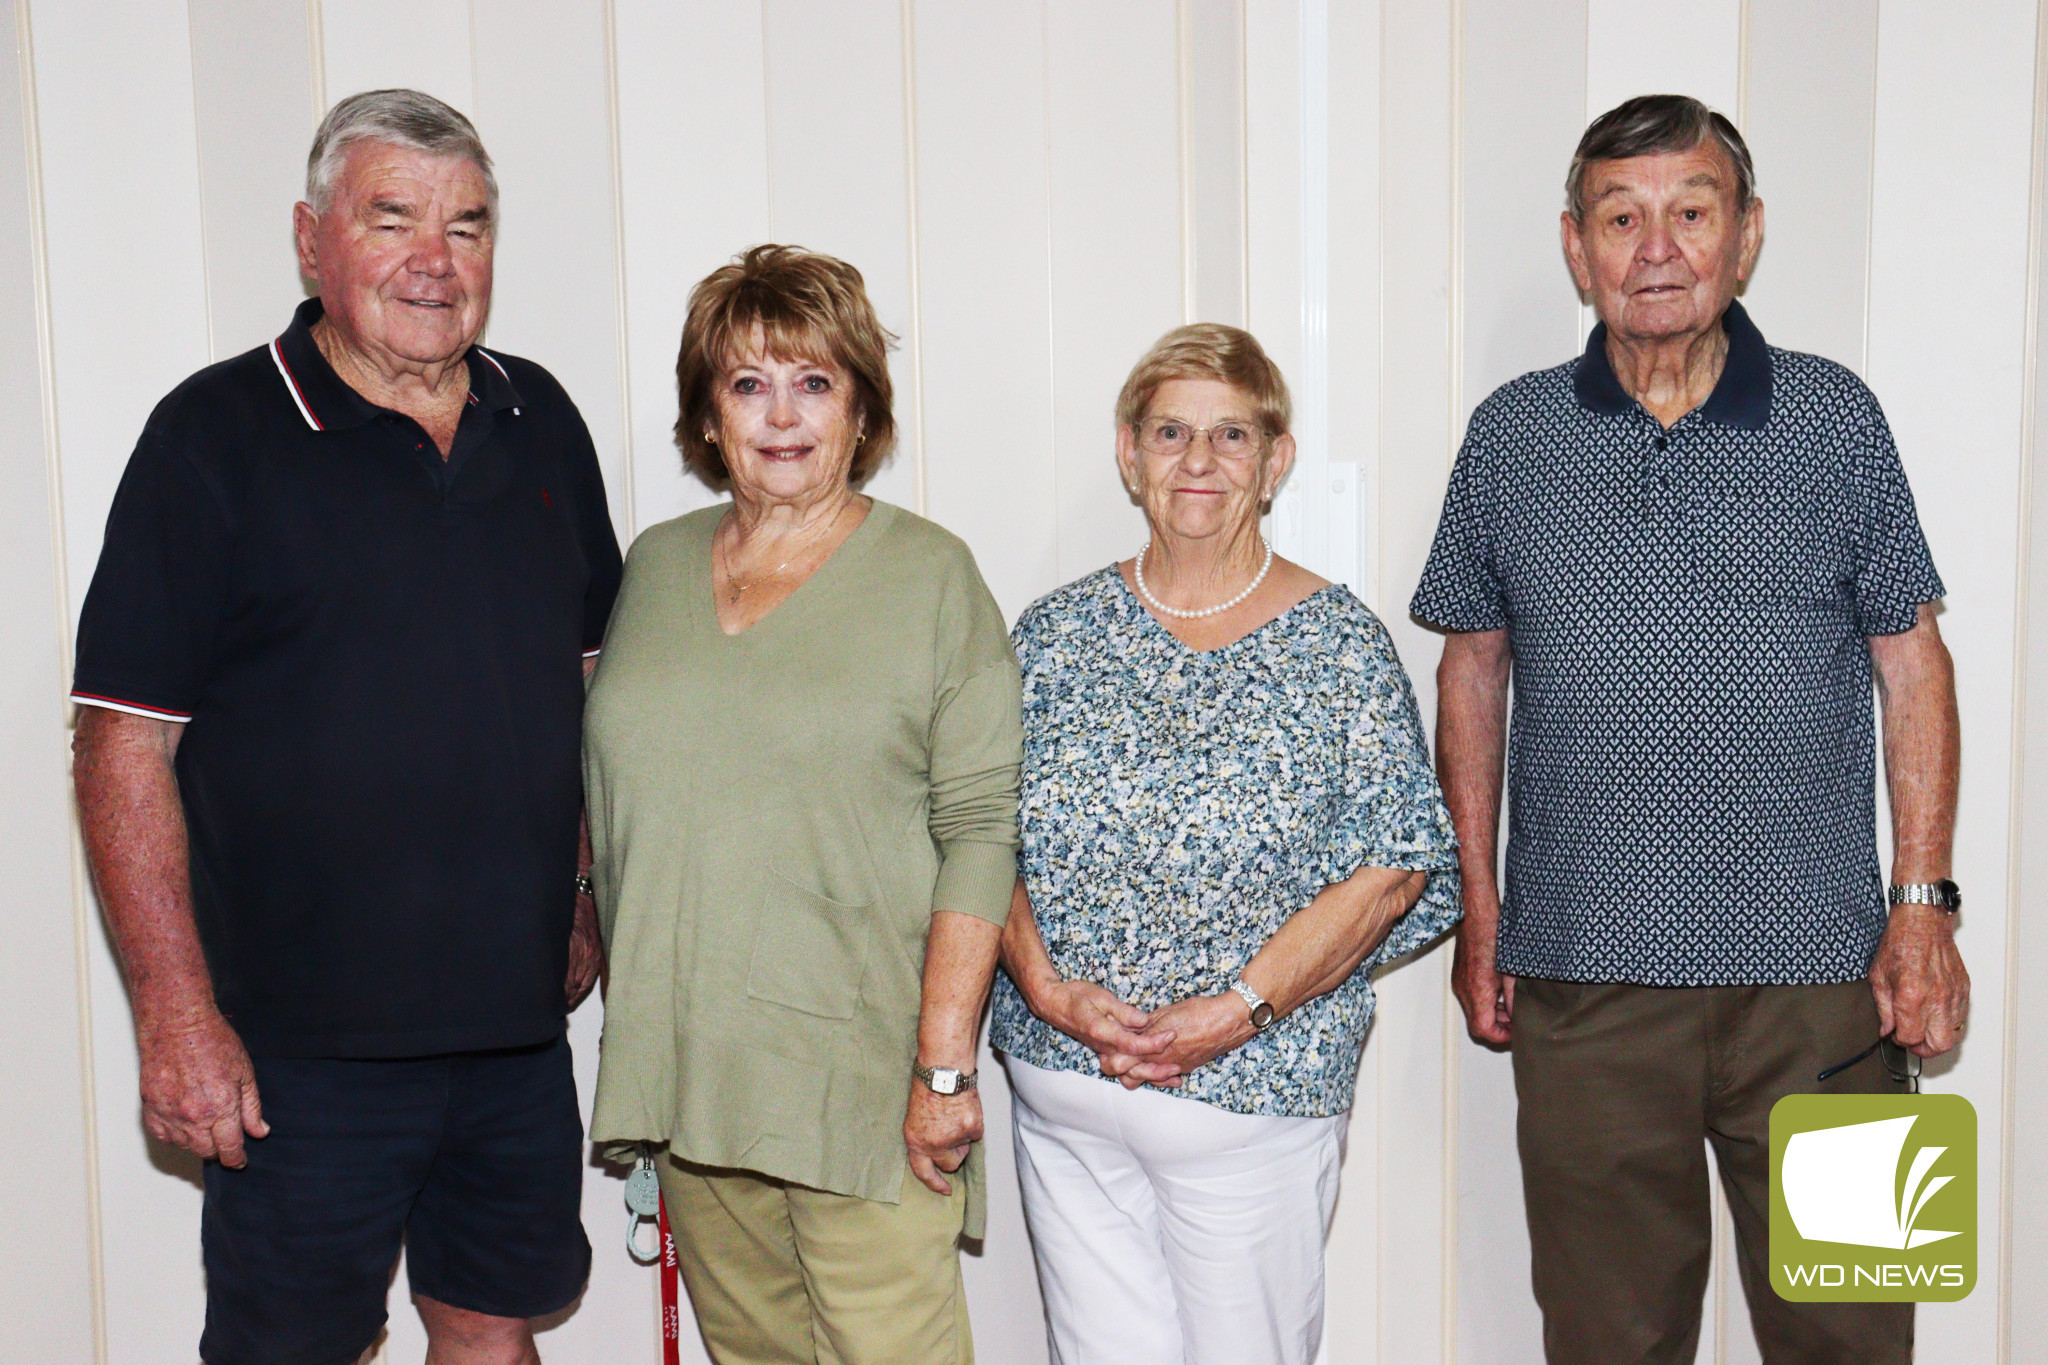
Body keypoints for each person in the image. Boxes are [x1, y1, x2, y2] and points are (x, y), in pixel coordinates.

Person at [69, 89, 621, 1365]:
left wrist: (584, 887)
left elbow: (596, 698)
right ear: (312, 240)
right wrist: (175, 1016)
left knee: (490, 1324)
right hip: (294, 1049)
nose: (437, 260)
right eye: (393, 220)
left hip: (510, 1028)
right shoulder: (212, 435)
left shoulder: (541, 418)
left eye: (468, 227)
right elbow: (121, 746)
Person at [1414, 94, 1966, 1363]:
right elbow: (1470, 669)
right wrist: (1478, 908)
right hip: (1583, 991)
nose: (1654, 247)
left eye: (1689, 212)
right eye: (1620, 217)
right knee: (1607, 1345)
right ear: (1573, 246)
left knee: (1858, 1339)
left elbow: (1910, 657)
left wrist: (1922, 907)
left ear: (1746, 234)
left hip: (1832, 997)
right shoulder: (1509, 434)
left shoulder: (1836, 418)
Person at [989, 323, 1462, 1365]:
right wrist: (1049, 992)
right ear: (1126, 452)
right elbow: (979, 839)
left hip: (1254, 1102)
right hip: (1067, 1094)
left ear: (1275, 458)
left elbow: (1393, 870)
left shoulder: (1338, 644)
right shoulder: (1052, 635)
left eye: (1230, 435)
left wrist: (1238, 1011)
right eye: (1168, 432)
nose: (1196, 462)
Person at [582, 244, 1020, 1365]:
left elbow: (979, 834)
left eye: (814, 382)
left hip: (862, 1087)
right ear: (709, 414)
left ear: (860, 408)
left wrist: (942, 1070)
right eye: (747, 383)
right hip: (694, 1085)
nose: (782, 416)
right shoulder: (652, 566)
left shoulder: (929, 577)